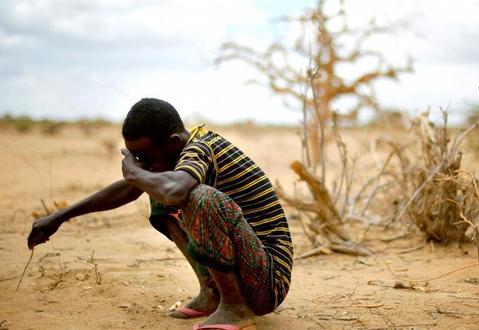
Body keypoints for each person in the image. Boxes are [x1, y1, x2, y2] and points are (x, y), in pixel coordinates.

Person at [27, 98, 293, 330]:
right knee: (159, 189)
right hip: (251, 272)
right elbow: (130, 189)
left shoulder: (201, 148)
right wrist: (60, 216)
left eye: (144, 156)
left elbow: (174, 190)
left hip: (268, 282)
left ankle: (235, 308)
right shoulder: (178, 157)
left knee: (197, 196)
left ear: (174, 142)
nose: (142, 164)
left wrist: (135, 173)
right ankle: (212, 292)